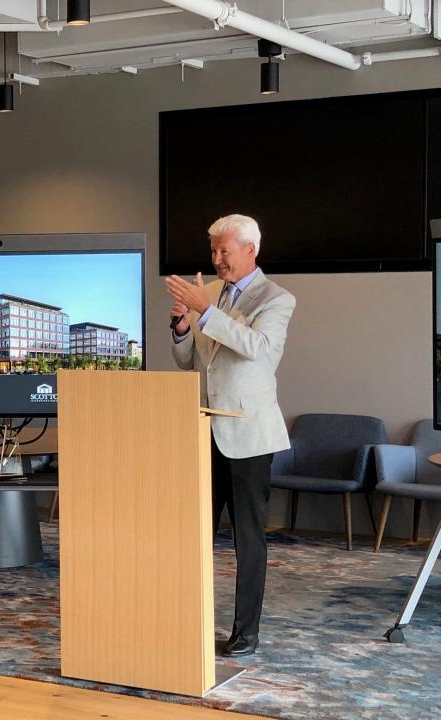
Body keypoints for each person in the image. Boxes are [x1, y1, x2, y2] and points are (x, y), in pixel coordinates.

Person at [164, 214, 295, 658]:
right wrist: (182, 327)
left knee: (248, 539)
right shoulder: (213, 296)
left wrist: (205, 310)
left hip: (248, 435)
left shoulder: (276, 298)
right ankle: (185, 618)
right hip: (205, 430)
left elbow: (256, 349)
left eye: (225, 251)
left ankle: (246, 632)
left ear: (250, 250)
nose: (216, 259)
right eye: (214, 251)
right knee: (192, 532)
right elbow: (191, 362)